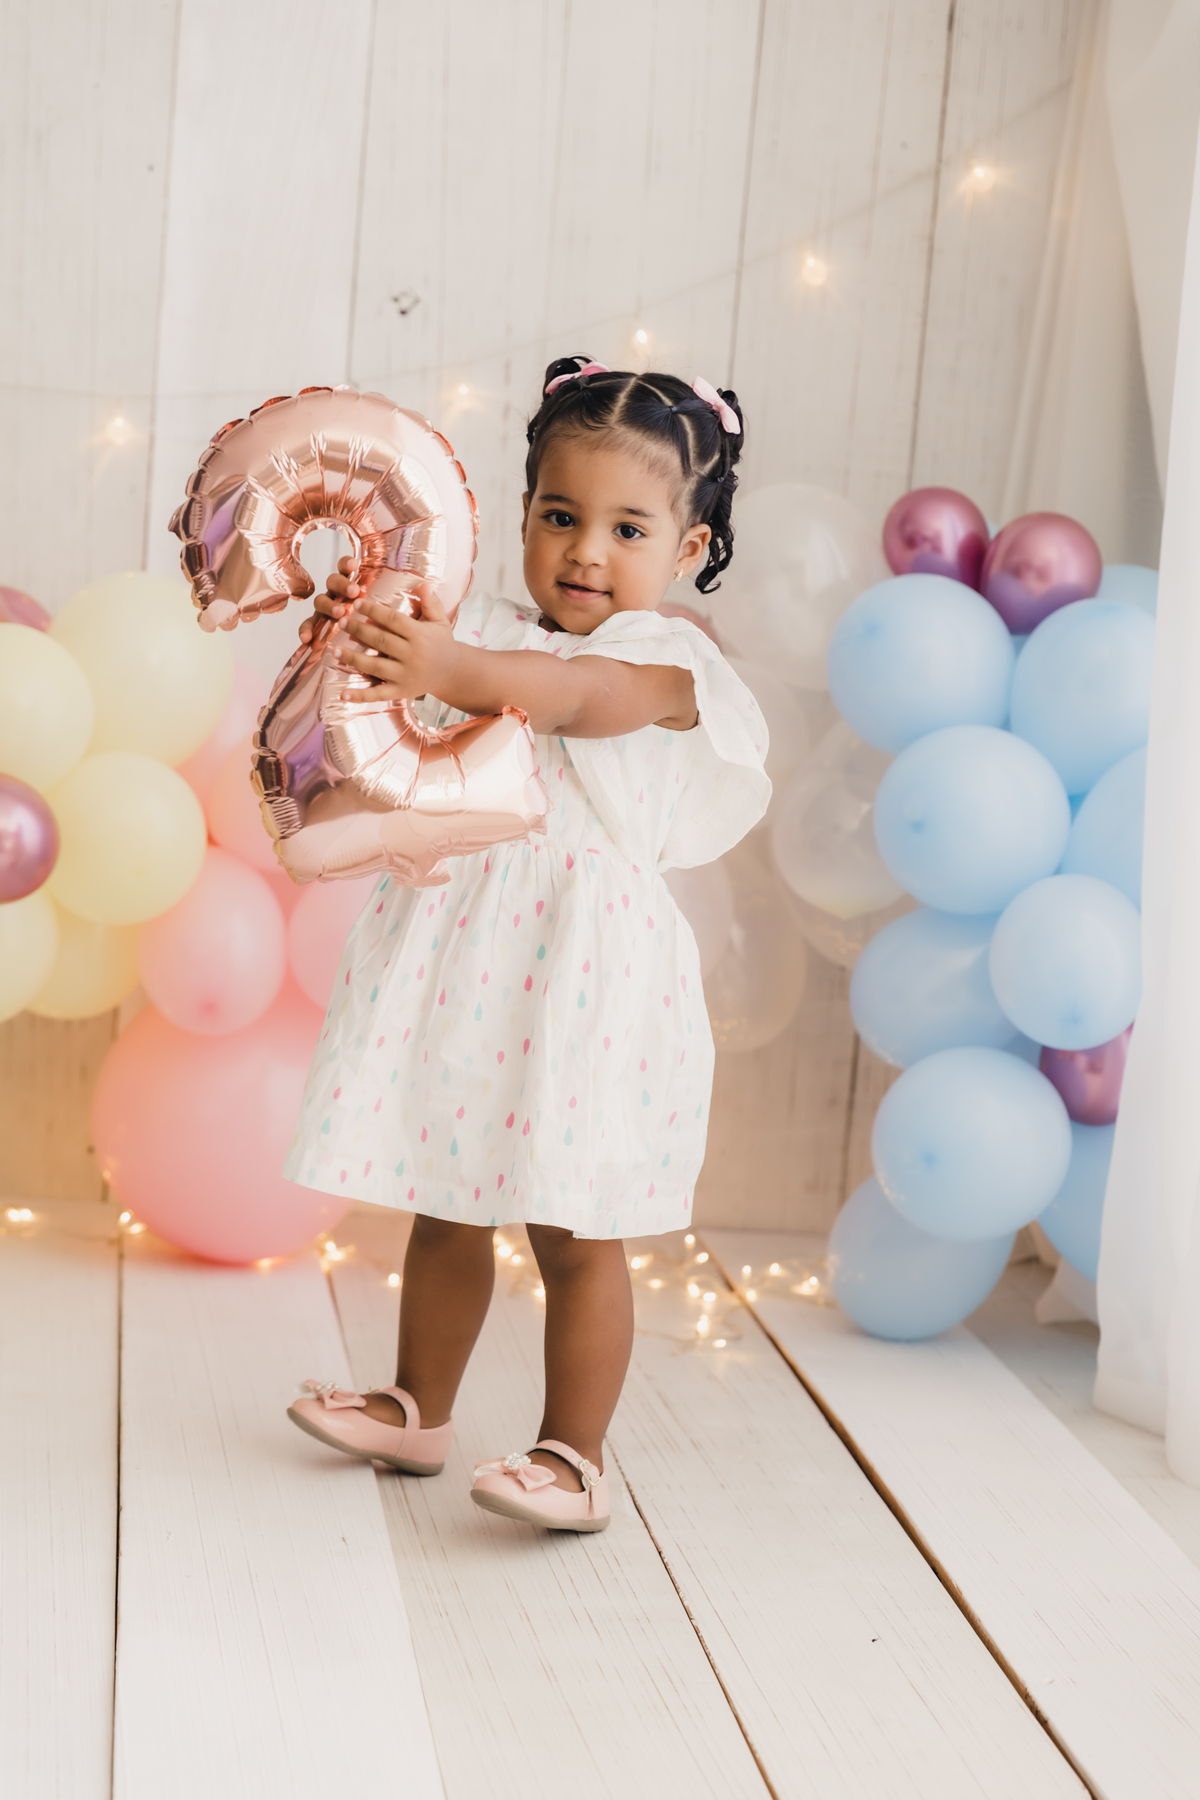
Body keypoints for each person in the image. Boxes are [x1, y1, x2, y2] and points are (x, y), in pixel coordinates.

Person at [285, 355, 770, 1532]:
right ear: (521, 516)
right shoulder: (484, 626)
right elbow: (403, 717)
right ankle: (417, 1406)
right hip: (472, 960)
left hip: (587, 982)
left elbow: (578, 700)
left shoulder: (672, 663)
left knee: (573, 1223)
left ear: (690, 546)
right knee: (447, 1194)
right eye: (560, 515)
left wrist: (453, 667)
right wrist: (369, 635)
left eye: (627, 528)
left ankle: (573, 1454)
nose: (585, 551)